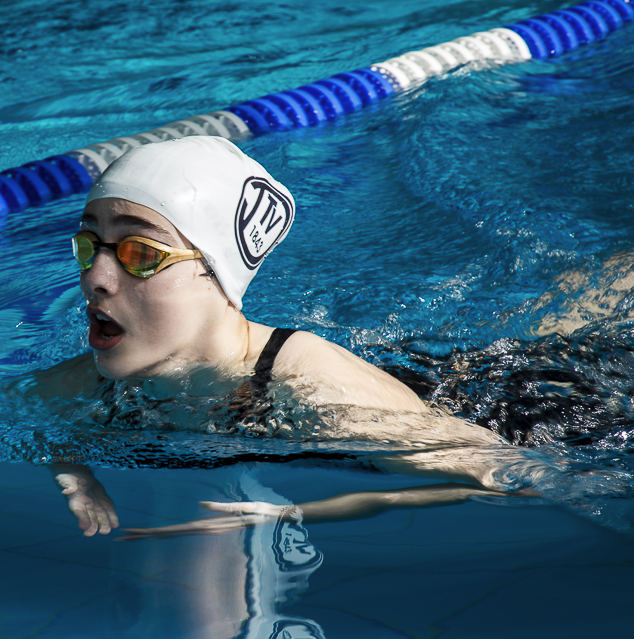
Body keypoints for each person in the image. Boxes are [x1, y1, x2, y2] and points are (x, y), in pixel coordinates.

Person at [35, 136, 536, 538]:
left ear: (220, 275)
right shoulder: (90, 379)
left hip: (519, 405)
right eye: (89, 244)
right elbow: (46, 422)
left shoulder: (320, 389)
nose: (94, 278)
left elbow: (520, 476)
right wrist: (76, 478)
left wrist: (304, 512)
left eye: (141, 253)